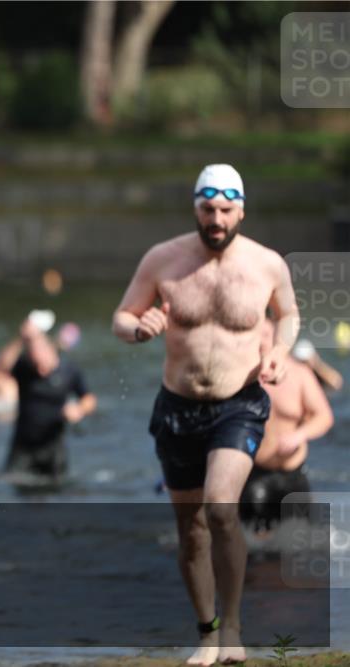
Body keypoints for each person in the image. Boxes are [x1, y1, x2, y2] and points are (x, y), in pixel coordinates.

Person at [113, 164, 299, 666]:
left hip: (238, 403)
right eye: (207, 209)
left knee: (221, 507)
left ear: (241, 210)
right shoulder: (164, 259)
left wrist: (280, 351)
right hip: (177, 407)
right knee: (191, 528)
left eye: (225, 209)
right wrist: (138, 328)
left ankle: (234, 624)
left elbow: (288, 314)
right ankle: (208, 631)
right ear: (195, 208)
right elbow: (122, 316)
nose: (215, 219)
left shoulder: (266, 264)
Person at [240, 320, 334, 532]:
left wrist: (299, 435)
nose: (260, 341)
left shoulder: (299, 374)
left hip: (293, 472)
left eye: (265, 335)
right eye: (254, 336)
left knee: (303, 543)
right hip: (255, 473)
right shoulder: (240, 376)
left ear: (276, 338)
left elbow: (324, 416)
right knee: (254, 548)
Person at [3, 314, 96, 486]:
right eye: (33, 356)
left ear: (51, 350)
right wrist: (21, 339)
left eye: (41, 355)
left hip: (53, 446)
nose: (39, 365)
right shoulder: (25, 367)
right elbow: (2, 367)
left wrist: (79, 410)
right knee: (13, 487)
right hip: (23, 445)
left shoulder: (69, 370)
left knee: (57, 490)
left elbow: (89, 399)